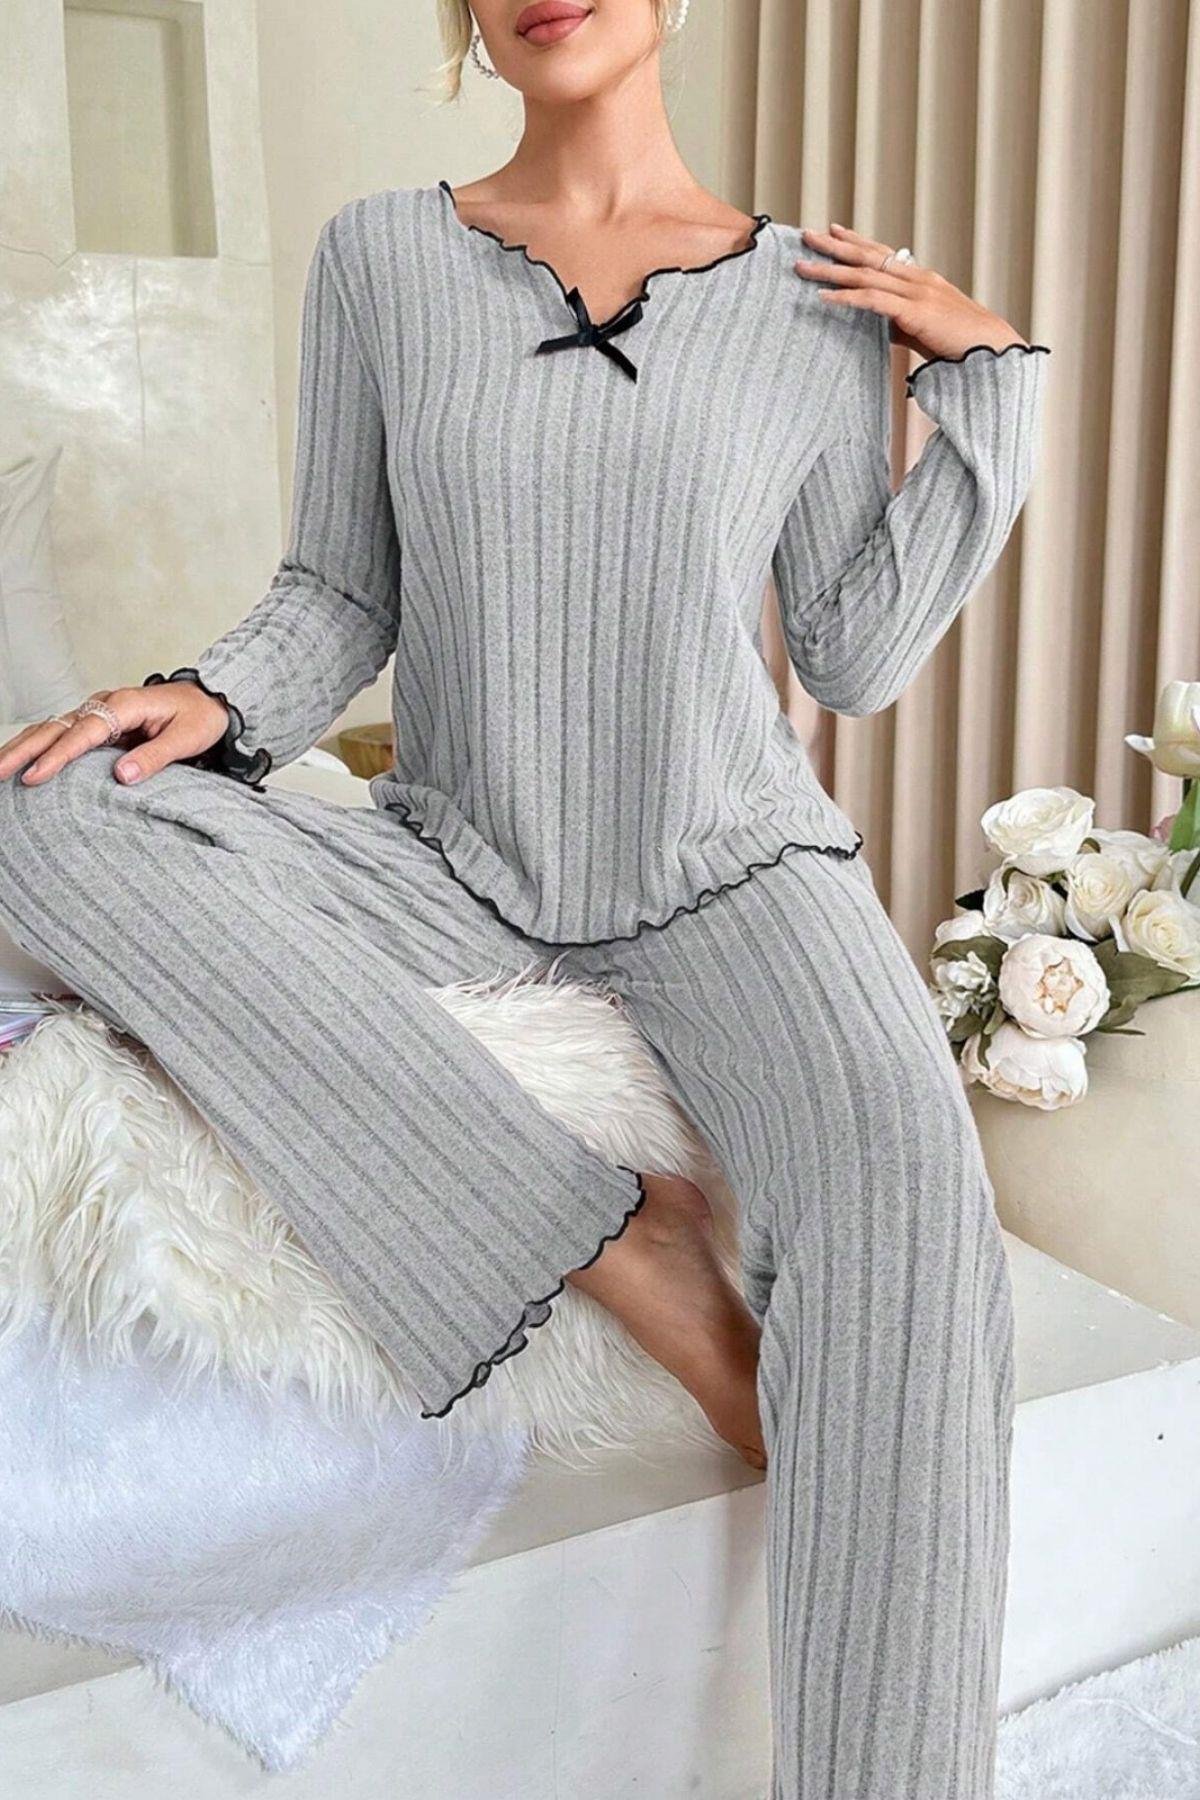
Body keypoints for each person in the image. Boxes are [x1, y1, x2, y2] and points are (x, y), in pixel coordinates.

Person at [0, 1, 1050, 1792]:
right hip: (455, 857)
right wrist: (214, 699)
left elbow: (855, 656)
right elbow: (341, 586)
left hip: (732, 870)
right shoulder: (383, 260)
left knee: (912, 1213)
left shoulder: (809, 295)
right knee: (51, 812)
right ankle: (608, 1238)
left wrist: (987, 392)